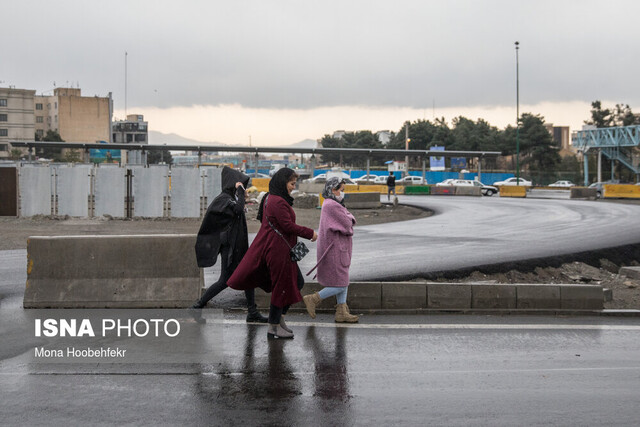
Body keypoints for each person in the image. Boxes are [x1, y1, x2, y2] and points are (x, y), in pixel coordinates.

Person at [227, 168, 318, 339]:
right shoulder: (278, 202)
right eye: (291, 184)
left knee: (295, 282)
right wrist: (310, 233)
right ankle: (273, 326)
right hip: (278, 251)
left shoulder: (271, 198)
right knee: (282, 287)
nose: (293, 187)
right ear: (282, 183)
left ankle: (279, 319)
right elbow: (287, 226)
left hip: (279, 249)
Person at [193, 166, 268, 323]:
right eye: (239, 183)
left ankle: (252, 311)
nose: (241, 186)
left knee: (248, 277)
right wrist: (240, 191)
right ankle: (197, 306)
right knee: (225, 280)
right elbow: (239, 210)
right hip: (231, 250)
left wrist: (240, 194)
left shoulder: (228, 199)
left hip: (237, 248)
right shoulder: (223, 199)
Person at [303, 177, 359, 323]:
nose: (343, 193)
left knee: (342, 279)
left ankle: (341, 311)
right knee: (341, 282)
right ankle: (314, 299)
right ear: (333, 190)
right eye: (341, 190)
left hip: (337, 248)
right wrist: (350, 217)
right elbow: (348, 224)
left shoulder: (331, 204)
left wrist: (348, 216)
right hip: (335, 249)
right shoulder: (332, 205)